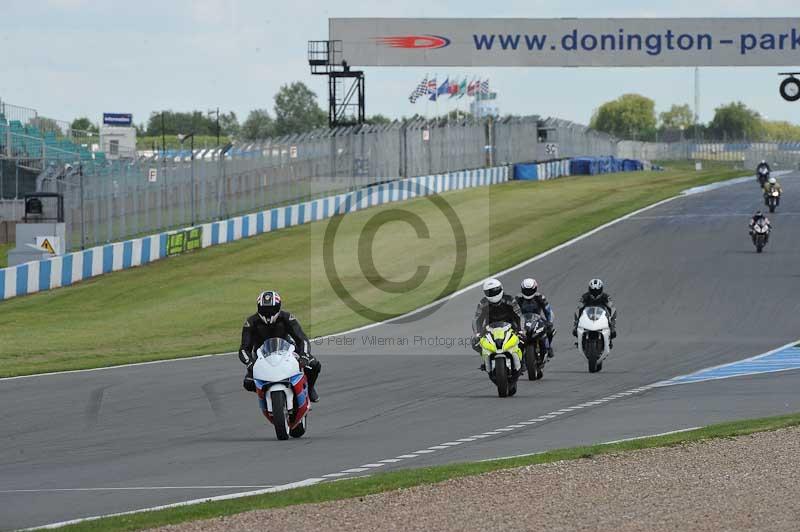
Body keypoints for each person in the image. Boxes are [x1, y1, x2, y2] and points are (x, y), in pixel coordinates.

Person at [239, 291, 321, 402]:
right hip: (261, 355)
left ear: (278, 307)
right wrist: (249, 362)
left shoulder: (287, 318)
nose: (268, 313)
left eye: (271, 310)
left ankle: (310, 389)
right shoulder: (251, 322)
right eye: (265, 310)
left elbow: (302, 339)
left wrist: (305, 355)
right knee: (248, 383)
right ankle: (266, 397)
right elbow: (244, 348)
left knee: (314, 365)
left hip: (288, 350)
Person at [471, 278, 525, 369]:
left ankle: (522, 361)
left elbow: (519, 316)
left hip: (510, 325)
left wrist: (521, 330)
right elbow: (477, 319)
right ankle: (486, 358)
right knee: (475, 342)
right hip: (489, 327)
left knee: (524, 339)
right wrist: (477, 333)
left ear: (501, 289)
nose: (493, 294)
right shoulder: (483, 303)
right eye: (490, 292)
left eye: (495, 291)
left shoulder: (510, 300)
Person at [515, 278, 555, 359]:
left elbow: (548, 311)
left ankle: (549, 347)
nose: (528, 293)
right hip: (522, 320)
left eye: (530, 290)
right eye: (526, 290)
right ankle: (519, 356)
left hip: (537, 318)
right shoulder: (518, 298)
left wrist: (549, 322)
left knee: (549, 330)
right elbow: (512, 312)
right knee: (516, 335)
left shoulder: (540, 297)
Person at [573, 279, 617, 348]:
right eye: (593, 291)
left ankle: (611, 332)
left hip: (602, 317)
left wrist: (612, 323)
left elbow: (612, 308)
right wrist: (576, 323)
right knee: (577, 314)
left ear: (601, 289)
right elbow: (579, 308)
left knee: (612, 318)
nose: (595, 293)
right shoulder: (585, 296)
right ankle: (578, 333)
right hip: (588, 316)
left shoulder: (606, 297)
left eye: (597, 291)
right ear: (589, 289)